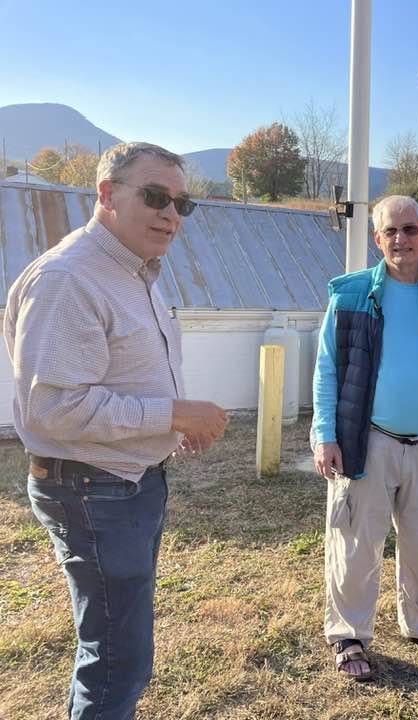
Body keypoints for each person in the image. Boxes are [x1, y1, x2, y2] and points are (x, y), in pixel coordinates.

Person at [3, 142, 229, 719]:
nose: (171, 214)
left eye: (183, 204)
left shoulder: (133, 271)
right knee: (117, 661)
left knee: (118, 650)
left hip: (124, 482)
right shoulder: (69, 278)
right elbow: (52, 409)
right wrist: (174, 415)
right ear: (105, 195)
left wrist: (165, 429)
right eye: (155, 197)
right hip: (92, 489)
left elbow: (114, 380)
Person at [312, 195, 418, 681]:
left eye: (410, 229)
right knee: (357, 544)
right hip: (369, 442)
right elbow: (327, 370)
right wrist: (325, 434)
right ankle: (348, 633)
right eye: (391, 232)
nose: (401, 239)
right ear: (377, 238)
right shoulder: (351, 295)